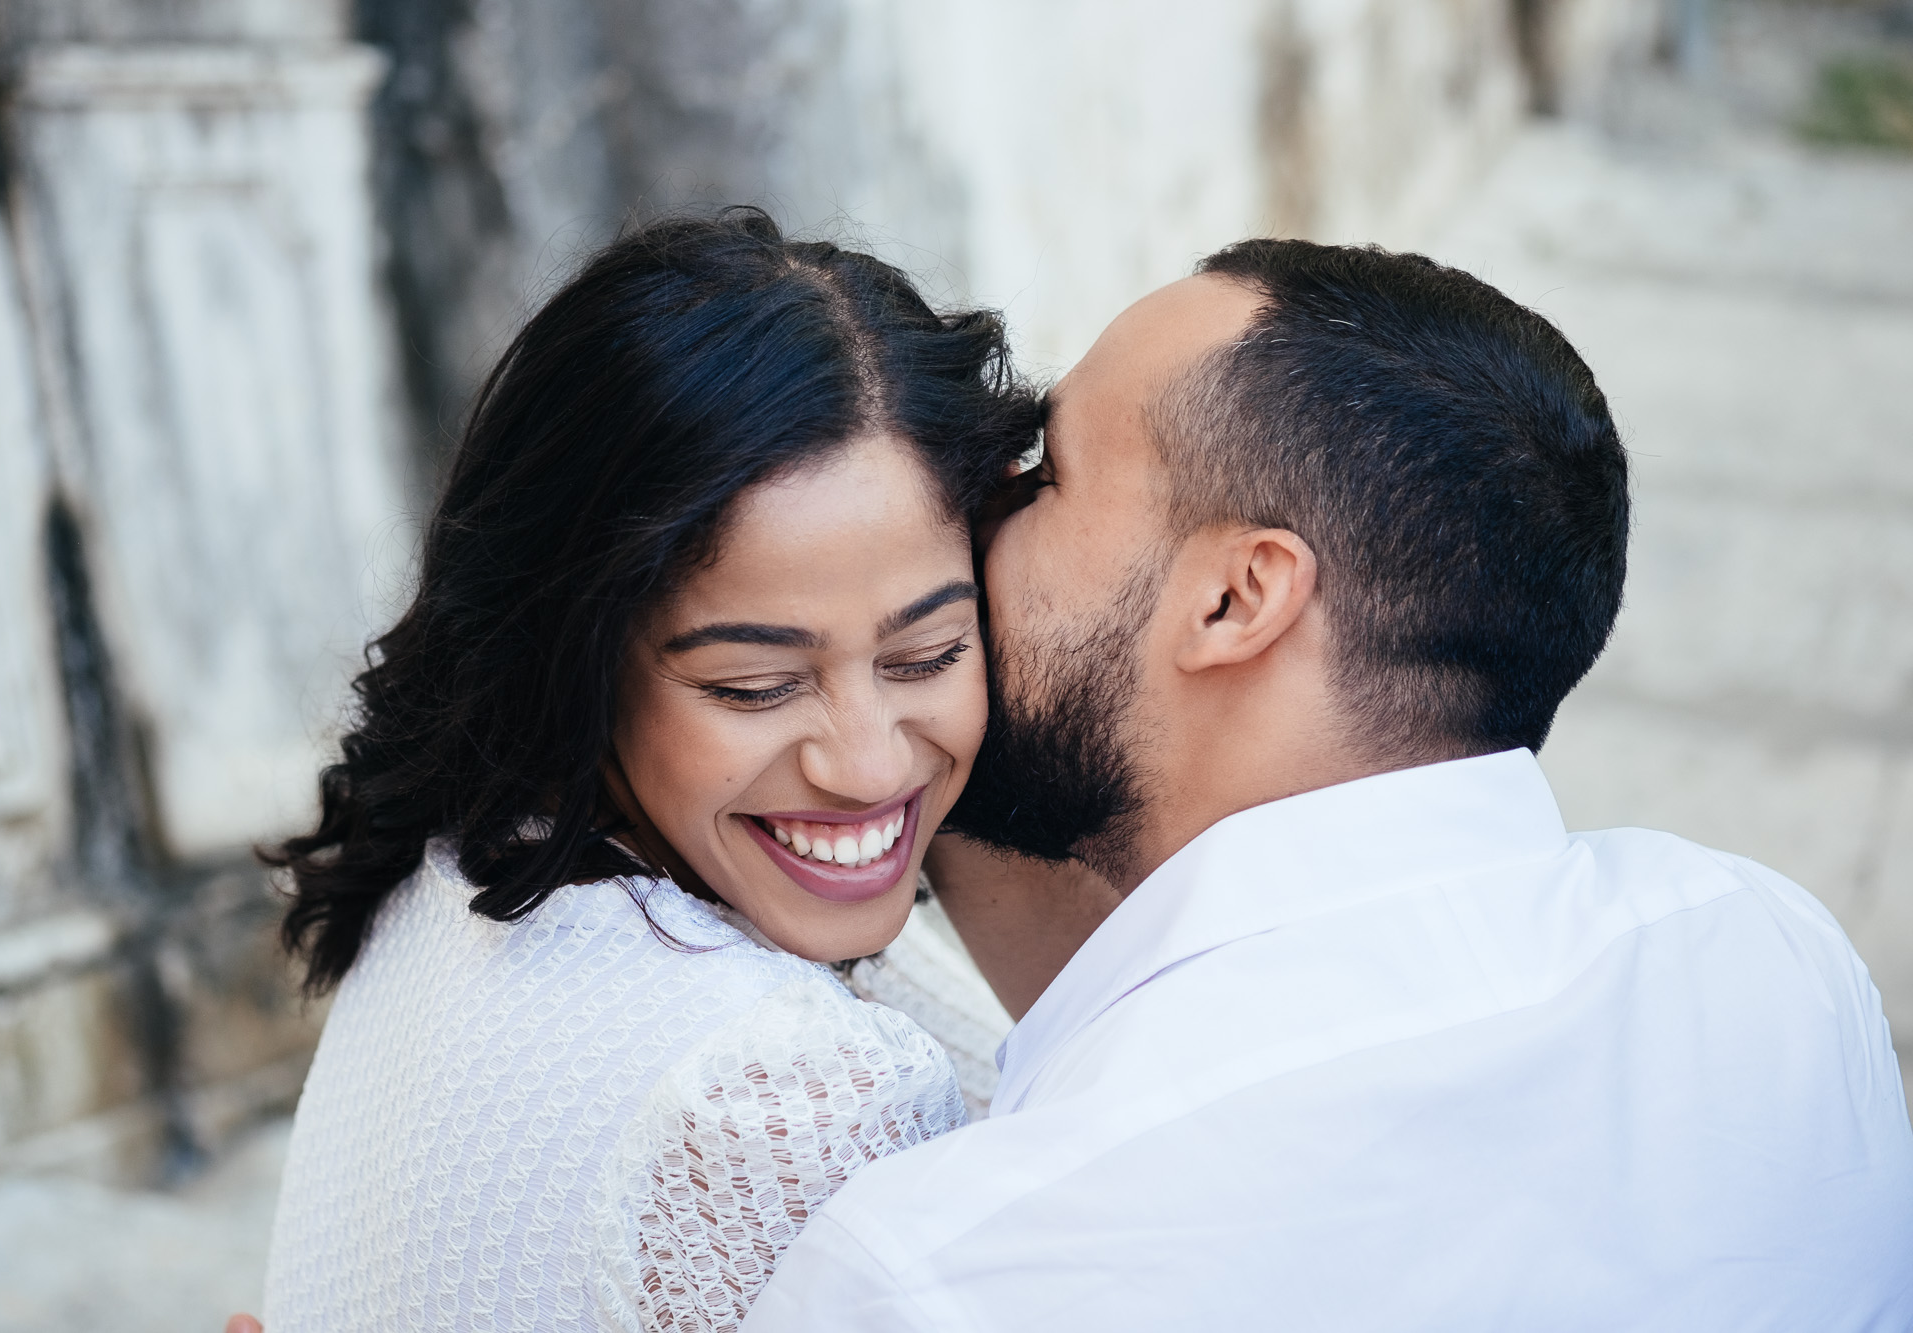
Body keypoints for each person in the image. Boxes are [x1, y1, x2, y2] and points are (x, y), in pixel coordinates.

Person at [745, 240, 1913, 1330]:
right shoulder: (1768, 958)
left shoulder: (947, 1271)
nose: (972, 517)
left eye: (1048, 473)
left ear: (1234, 598)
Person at [250, 209, 1043, 1331]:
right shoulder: (778, 1090)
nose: (864, 762)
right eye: (754, 687)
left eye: (926, 655)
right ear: (578, 660)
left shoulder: (466, 860)